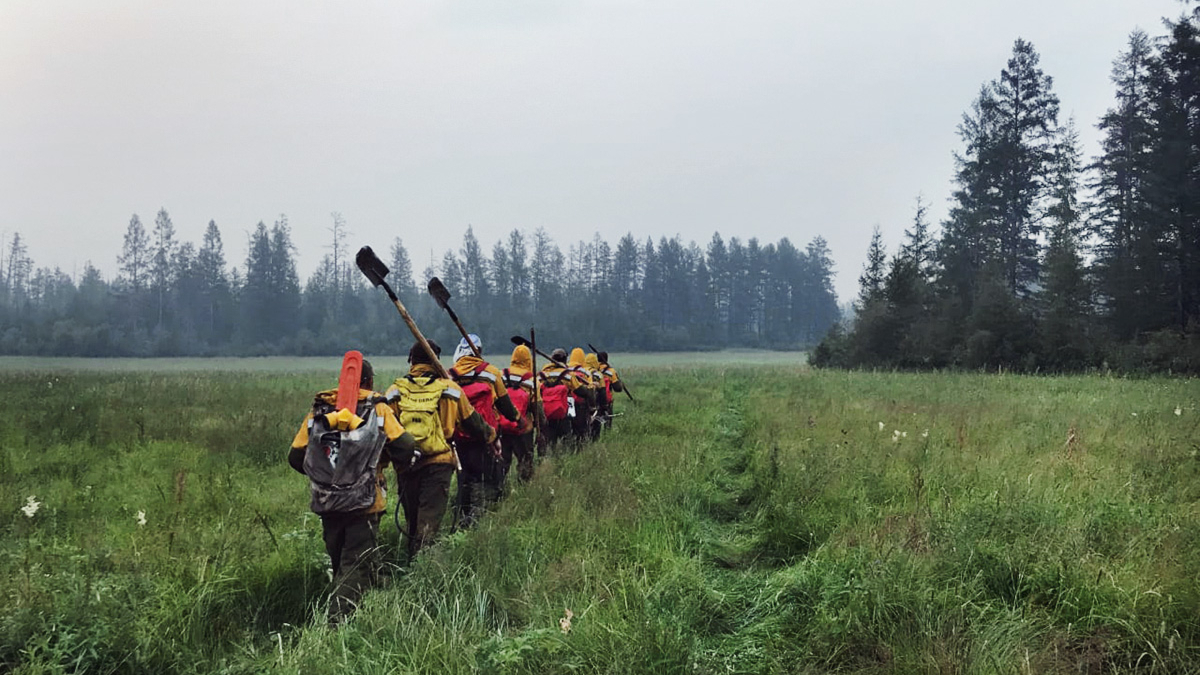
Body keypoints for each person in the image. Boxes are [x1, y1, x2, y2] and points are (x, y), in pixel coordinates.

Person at [288, 357, 416, 624]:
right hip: (364, 503)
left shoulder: (319, 411)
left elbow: (295, 457)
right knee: (355, 564)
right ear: (368, 382)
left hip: (328, 503)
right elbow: (404, 445)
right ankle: (336, 626)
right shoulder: (378, 410)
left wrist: (326, 478)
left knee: (341, 561)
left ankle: (370, 603)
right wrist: (383, 464)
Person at [386, 340, 496, 559]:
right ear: (436, 360)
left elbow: (386, 430)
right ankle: (422, 570)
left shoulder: (394, 390)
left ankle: (410, 561)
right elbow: (474, 423)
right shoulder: (451, 389)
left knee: (412, 518)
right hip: (438, 463)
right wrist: (492, 436)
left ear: (411, 361)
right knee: (429, 521)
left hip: (406, 464)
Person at [447, 334, 519, 527]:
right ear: (479, 351)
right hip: (486, 435)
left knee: (465, 476)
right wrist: (517, 418)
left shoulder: (449, 374)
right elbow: (504, 404)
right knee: (484, 478)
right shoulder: (491, 372)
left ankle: (462, 514)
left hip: (458, 437)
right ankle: (478, 519)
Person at [498, 343, 541, 484]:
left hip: (502, 428)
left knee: (502, 461)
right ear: (529, 360)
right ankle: (524, 489)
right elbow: (538, 408)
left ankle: (499, 487)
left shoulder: (500, 376)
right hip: (524, 429)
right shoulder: (532, 381)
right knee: (525, 461)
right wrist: (541, 427)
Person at [538, 348, 578, 453]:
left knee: (548, 443)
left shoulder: (541, 375)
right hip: (563, 414)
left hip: (545, 414)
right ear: (565, 360)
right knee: (567, 442)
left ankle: (547, 462)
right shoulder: (568, 374)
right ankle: (565, 461)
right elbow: (580, 391)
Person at [566, 348, 598, 447]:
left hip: (566, 404)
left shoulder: (564, 370)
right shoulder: (585, 373)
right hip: (580, 405)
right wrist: (593, 407)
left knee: (568, 430)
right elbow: (590, 390)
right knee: (581, 430)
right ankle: (580, 449)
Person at [584, 352, 609, 440]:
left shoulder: (580, 372)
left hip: (582, 403)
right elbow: (602, 391)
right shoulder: (598, 374)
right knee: (596, 424)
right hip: (595, 403)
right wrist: (605, 407)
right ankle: (594, 440)